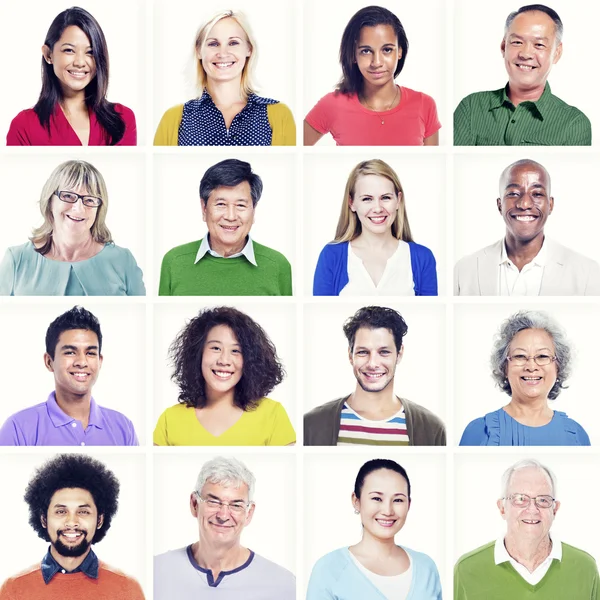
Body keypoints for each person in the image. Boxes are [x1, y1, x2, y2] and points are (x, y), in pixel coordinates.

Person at [0, 454, 145, 599]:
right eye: (61, 511)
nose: (71, 522)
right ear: (44, 519)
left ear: (99, 520)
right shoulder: (14, 589)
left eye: (83, 512)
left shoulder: (126, 589)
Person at [454, 459, 600, 599]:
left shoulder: (585, 568)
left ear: (554, 510)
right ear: (502, 508)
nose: (532, 509)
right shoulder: (468, 569)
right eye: (520, 499)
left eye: (543, 500)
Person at [154, 456, 295, 598]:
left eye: (236, 505)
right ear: (194, 504)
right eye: (213, 501)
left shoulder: (283, 585)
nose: (223, 515)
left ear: (249, 513)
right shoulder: (156, 571)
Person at [454, 159, 600, 296]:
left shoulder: (587, 273)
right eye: (514, 194)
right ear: (500, 205)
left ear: (550, 205)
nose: (524, 204)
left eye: (537, 194)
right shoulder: (466, 269)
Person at [0, 159, 145, 296]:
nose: (79, 208)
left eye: (89, 200)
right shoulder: (16, 259)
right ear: (50, 200)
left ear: (99, 208)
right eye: (68, 196)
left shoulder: (123, 260)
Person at [304, 306, 445, 446]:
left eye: (384, 352)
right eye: (363, 352)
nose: (372, 364)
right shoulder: (311, 424)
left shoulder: (432, 429)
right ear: (350, 355)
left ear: (399, 354)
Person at [154, 307, 295, 446]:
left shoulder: (272, 415)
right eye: (215, 348)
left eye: (235, 351)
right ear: (198, 354)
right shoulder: (169, 420)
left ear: (250, 359)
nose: (224, 360)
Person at [0, 306, 139, 446]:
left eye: (90, 353)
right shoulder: (18, 429)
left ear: (100, 361)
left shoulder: (124, 428)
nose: (82, 362)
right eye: (70, 352)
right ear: (49, 362)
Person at [454, 4, 591, 146]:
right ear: (503, 47)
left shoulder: (573, 124)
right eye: (517, 42)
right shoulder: (472, 108)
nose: (525, 54)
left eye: (539, 45)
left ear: (556, 53)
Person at [154, 10, 295, 146]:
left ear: (249, 49)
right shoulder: (174, 118)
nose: (223, 53)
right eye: (213, 44)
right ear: (198, 51)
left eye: (233, 43)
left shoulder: (279, 114)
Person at [304, 6, 440, 146]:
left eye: (387, 50)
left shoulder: (424, 105)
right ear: (353, 55)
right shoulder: (332, 104)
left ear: (399, 52)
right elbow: (295, 150)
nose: (376, 62)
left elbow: (433, 165)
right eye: (366, 51)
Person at [307, 459, 442, 599]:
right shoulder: (329, 569)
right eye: (377, 498)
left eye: (398, 500)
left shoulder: (426, 568)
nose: (388, 511)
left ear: (409, 504)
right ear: (356, 501)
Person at [159, 158, 292, 296]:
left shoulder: (277, 265)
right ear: (204, 208)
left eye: (241, 205)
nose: (231, 216)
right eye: (221, 204)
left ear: (253, 210)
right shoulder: (174, 261)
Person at [6, 7, 136, 146]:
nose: (80, 62)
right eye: (69, 50)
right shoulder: (24, 126)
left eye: (90, 52)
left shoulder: (122, 119)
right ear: (48, 54)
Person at [459, 310, 589, 446]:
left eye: (542, 356)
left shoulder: (577, 435)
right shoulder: (479, 432)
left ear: (558, 366)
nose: (531, 366)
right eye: (520, 356)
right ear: (504, 366)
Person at [313, 159, 437, 296]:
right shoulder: (331, 255)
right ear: (351, 203)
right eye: (367, 199)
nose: (378, 208)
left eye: (385, 198)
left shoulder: (423, 258)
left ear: (398, 200)